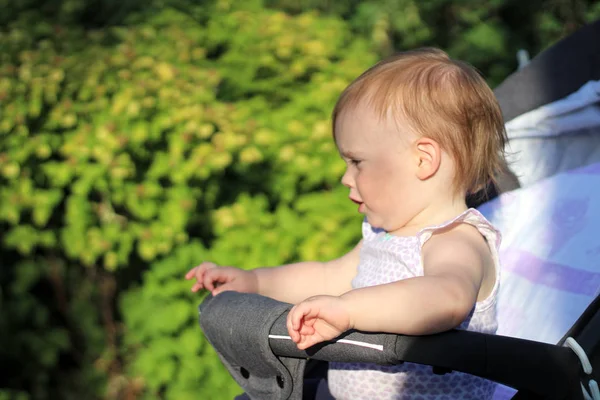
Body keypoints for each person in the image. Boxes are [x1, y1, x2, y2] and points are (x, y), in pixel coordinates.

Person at [186, 47, 507, 399]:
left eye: (356, 161)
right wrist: (256, 280)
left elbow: (447, 298)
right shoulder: (383, 236)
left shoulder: (455, 238)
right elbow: (326, 277)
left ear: (422, 160)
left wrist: (350, 309)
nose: (345, 178)